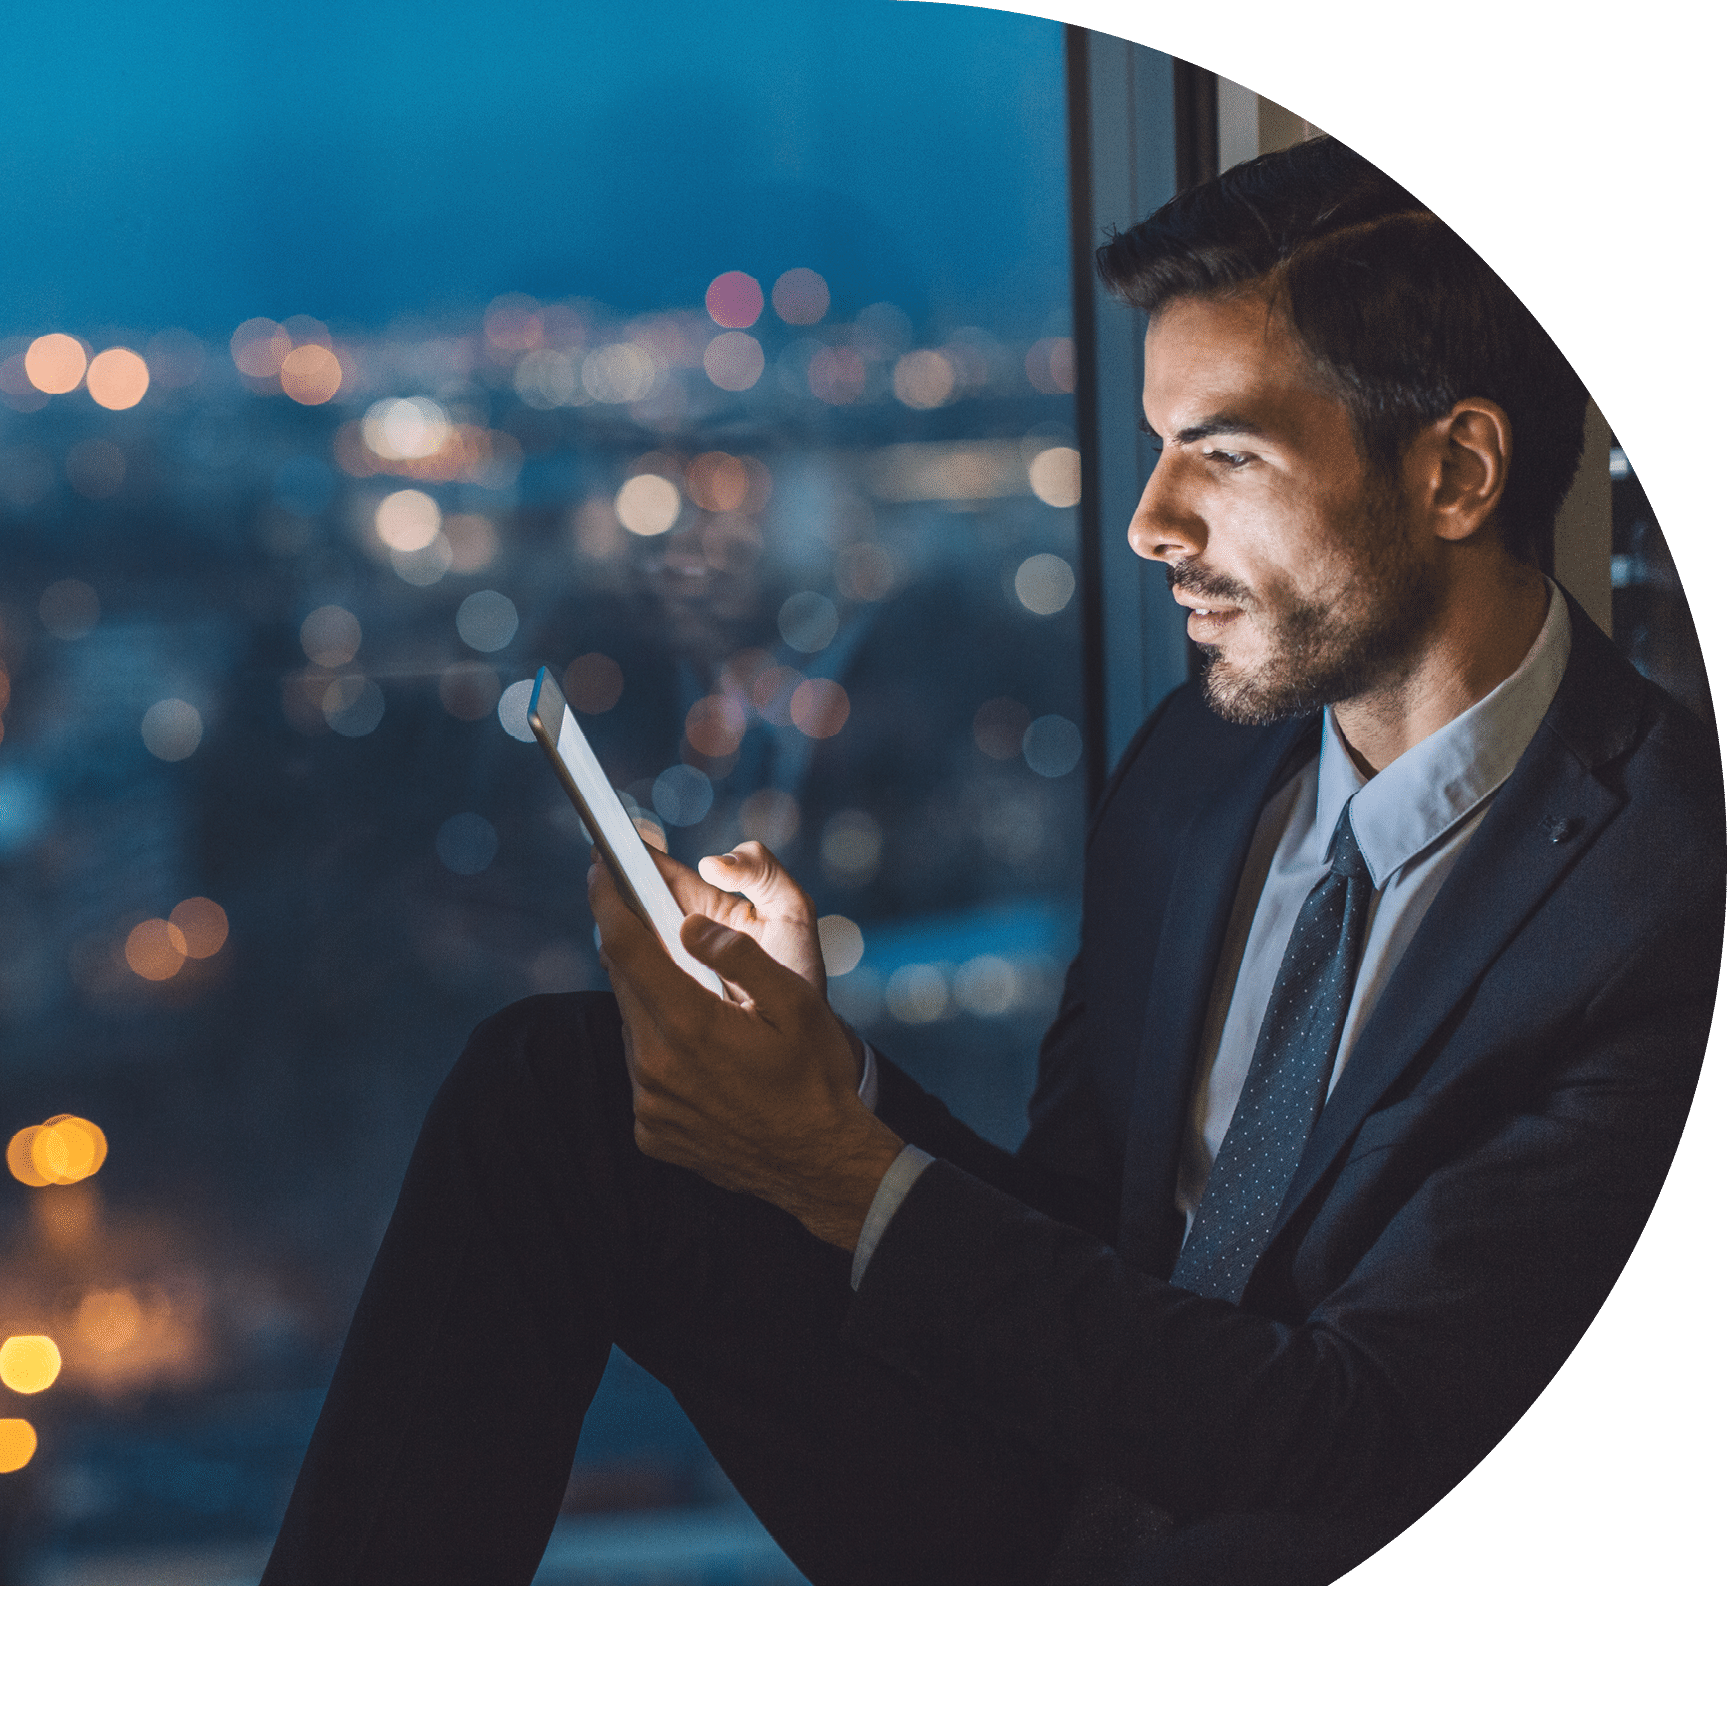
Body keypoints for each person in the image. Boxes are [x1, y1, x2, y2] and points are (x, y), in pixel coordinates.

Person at [263, 138, 1723, 1585]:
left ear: (1455, 470)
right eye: (1154, 448)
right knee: (556, 1089)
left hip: (1305, 1538)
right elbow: (1084, 1234)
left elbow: (1364, 1437)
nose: (1151, 523)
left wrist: (832, 1167)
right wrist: (817, 1088)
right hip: (1085, 1450)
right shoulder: (1200, 768)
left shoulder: (1656, 893)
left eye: (1221, 452)